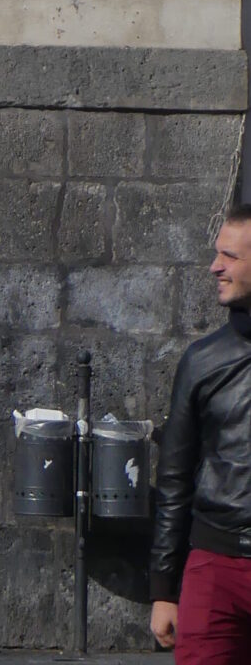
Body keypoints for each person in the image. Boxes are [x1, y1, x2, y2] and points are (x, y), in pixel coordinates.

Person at [151, 201, 251, 659]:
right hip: (215, 569)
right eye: (218, 254)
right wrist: (163, 589)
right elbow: (173, 480)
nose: (215, 267)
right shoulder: (202, 362)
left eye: (230, 256)